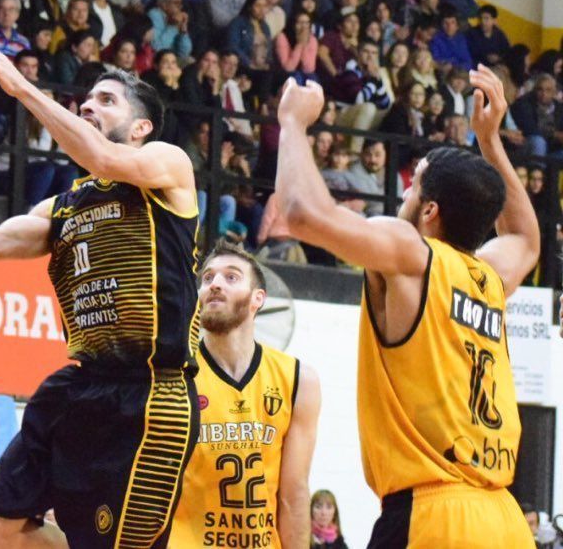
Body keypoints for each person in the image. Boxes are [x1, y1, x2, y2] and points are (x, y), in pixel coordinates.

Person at [0, 53, 200, 548]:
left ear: (141, 127)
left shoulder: (167, 163)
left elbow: (105, 159)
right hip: (81, 385)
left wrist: (21, 87)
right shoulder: (62, 208)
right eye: (87, 99)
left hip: (150, 391)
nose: (89, 106)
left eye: (106, 100)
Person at [274, 67, 539, 546]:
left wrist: (292, 123)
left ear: (430, 210)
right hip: (506, 520)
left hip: (434, 515)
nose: (405, 194)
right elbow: (525, 236)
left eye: (413, 185)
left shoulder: (412, 254)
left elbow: (301, 214)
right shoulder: (491, 278)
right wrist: (489, 140)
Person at [171, 241, 320, 548]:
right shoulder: (174, 375)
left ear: (257, 299)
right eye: (208, 278)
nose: (215, 284)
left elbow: (293, 495)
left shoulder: (297, 379)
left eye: (231, 277)